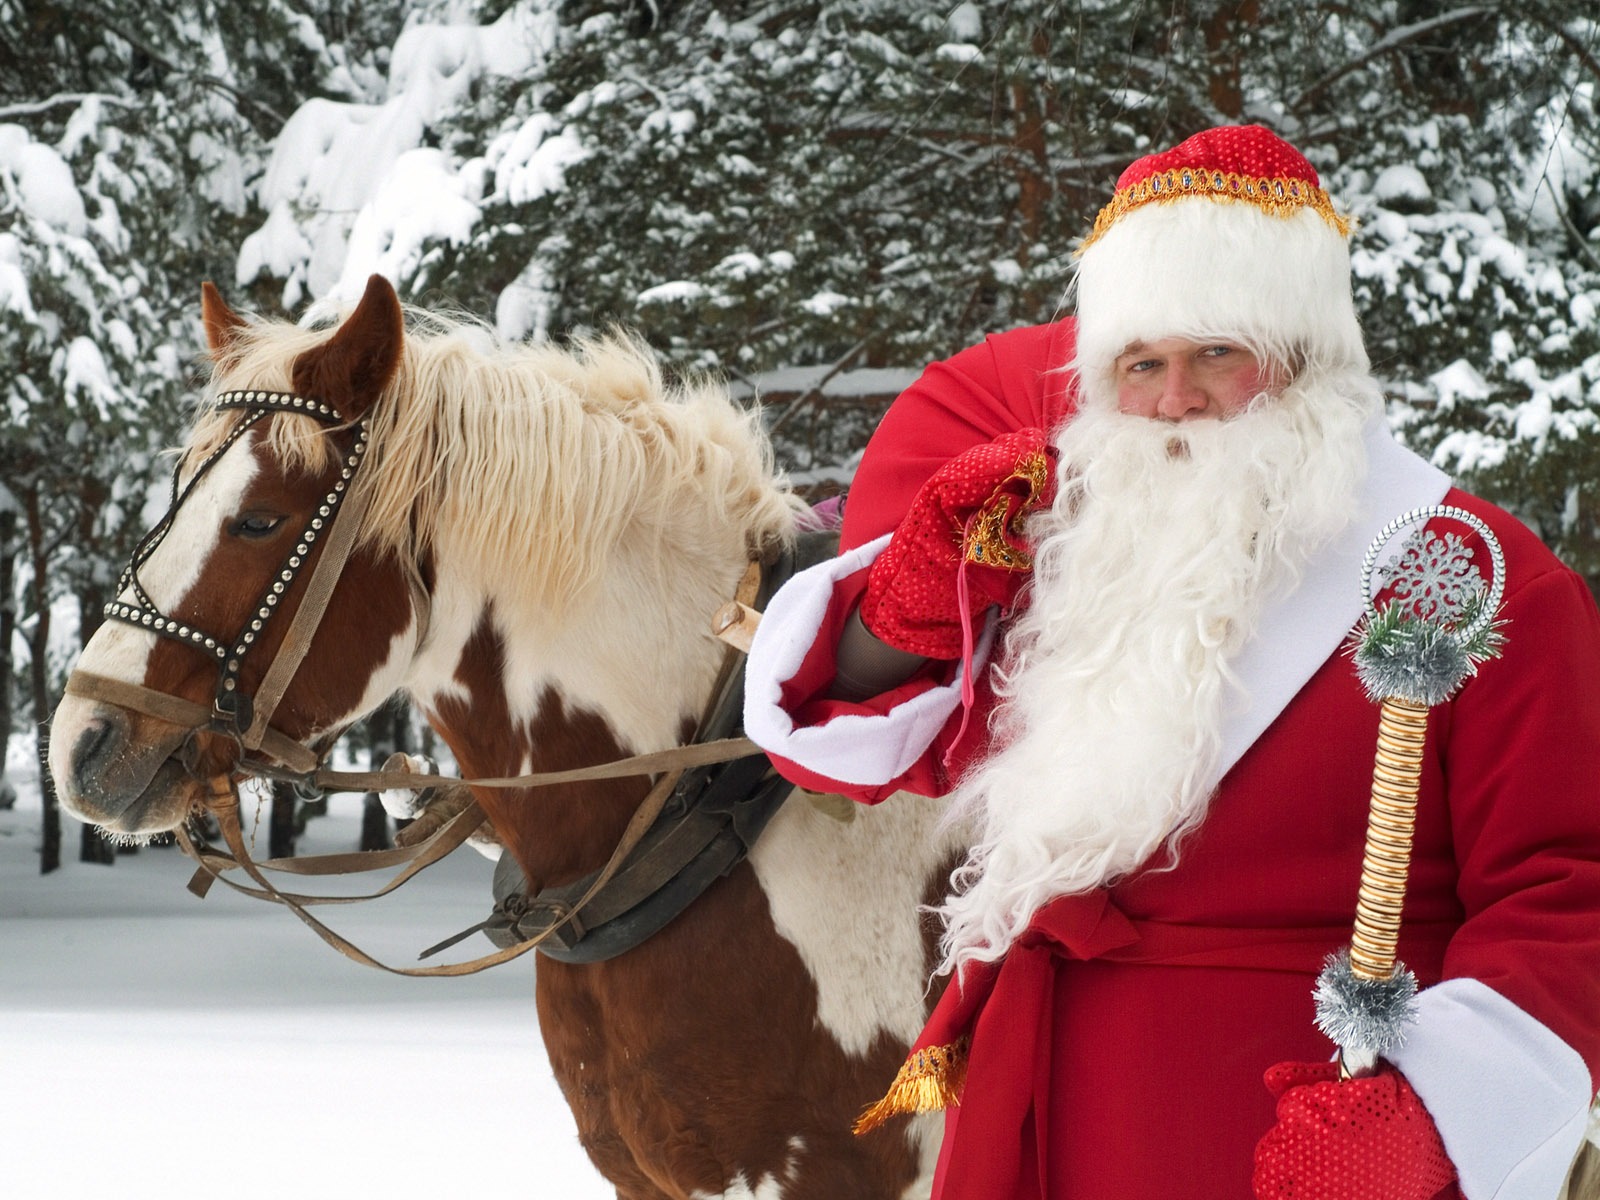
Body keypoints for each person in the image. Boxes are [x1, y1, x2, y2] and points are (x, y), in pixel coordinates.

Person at [742, 125, 1600, 1200]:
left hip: (1299, 1131)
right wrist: (902, 615)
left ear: (1303, 358)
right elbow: (860, 754)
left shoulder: (1472, 577)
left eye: (1215, 355)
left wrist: (1430, 1113)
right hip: (1038, 1117)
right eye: (1140, 364)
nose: (1173, 400)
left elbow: (1569, 892)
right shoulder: (1075, 554)